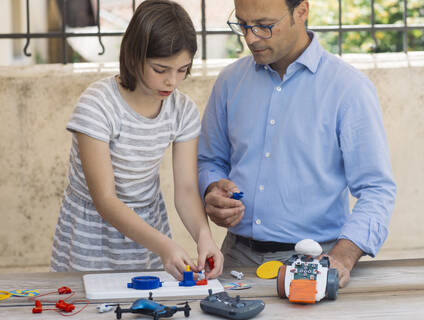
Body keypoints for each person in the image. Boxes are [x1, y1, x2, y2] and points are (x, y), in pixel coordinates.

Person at [198, 0, 396, 288]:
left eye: (265, 26)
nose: (251, 38)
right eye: (242, 24)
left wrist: (342, 256)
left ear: (301, 12)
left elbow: (377, 189)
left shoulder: (349, 89)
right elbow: (210, 160)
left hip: (316, 261)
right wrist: (212, 188)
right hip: (234, 258)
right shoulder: (229, 82)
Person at [51, 0, 223, 280]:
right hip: (92, 237)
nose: (172, 81)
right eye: (160, 69)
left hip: (148, 232)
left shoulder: (182, 109)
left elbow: (187, 189)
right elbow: (105, 199)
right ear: (134, 56)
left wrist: (205, 237)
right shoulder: (97, 105)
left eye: (182, 70)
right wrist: (165, 246)